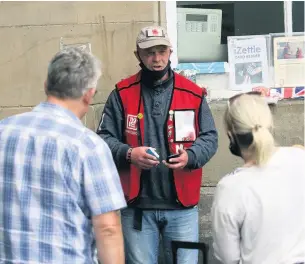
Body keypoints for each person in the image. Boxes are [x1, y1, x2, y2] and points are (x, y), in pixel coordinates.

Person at [97, 25, 218, 263]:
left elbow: (210, 137)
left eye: (161, 50)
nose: (157, 58)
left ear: (170, 51)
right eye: (149, 52)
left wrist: (191, 157)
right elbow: (102, 139)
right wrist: (129, 153)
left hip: (182, 208)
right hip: (137, 208)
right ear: (138, 56)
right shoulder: (121, 94)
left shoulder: (193, 93)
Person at [0, 47, 126, 264]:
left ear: (46, 85)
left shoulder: (4, 131)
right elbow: (107, 228)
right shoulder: (88, 146)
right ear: (89, 94)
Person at [211, 91, 305, 264]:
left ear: (231, 135)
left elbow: (228, 257)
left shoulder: (230, 188)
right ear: (270, 124)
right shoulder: (300, 158)